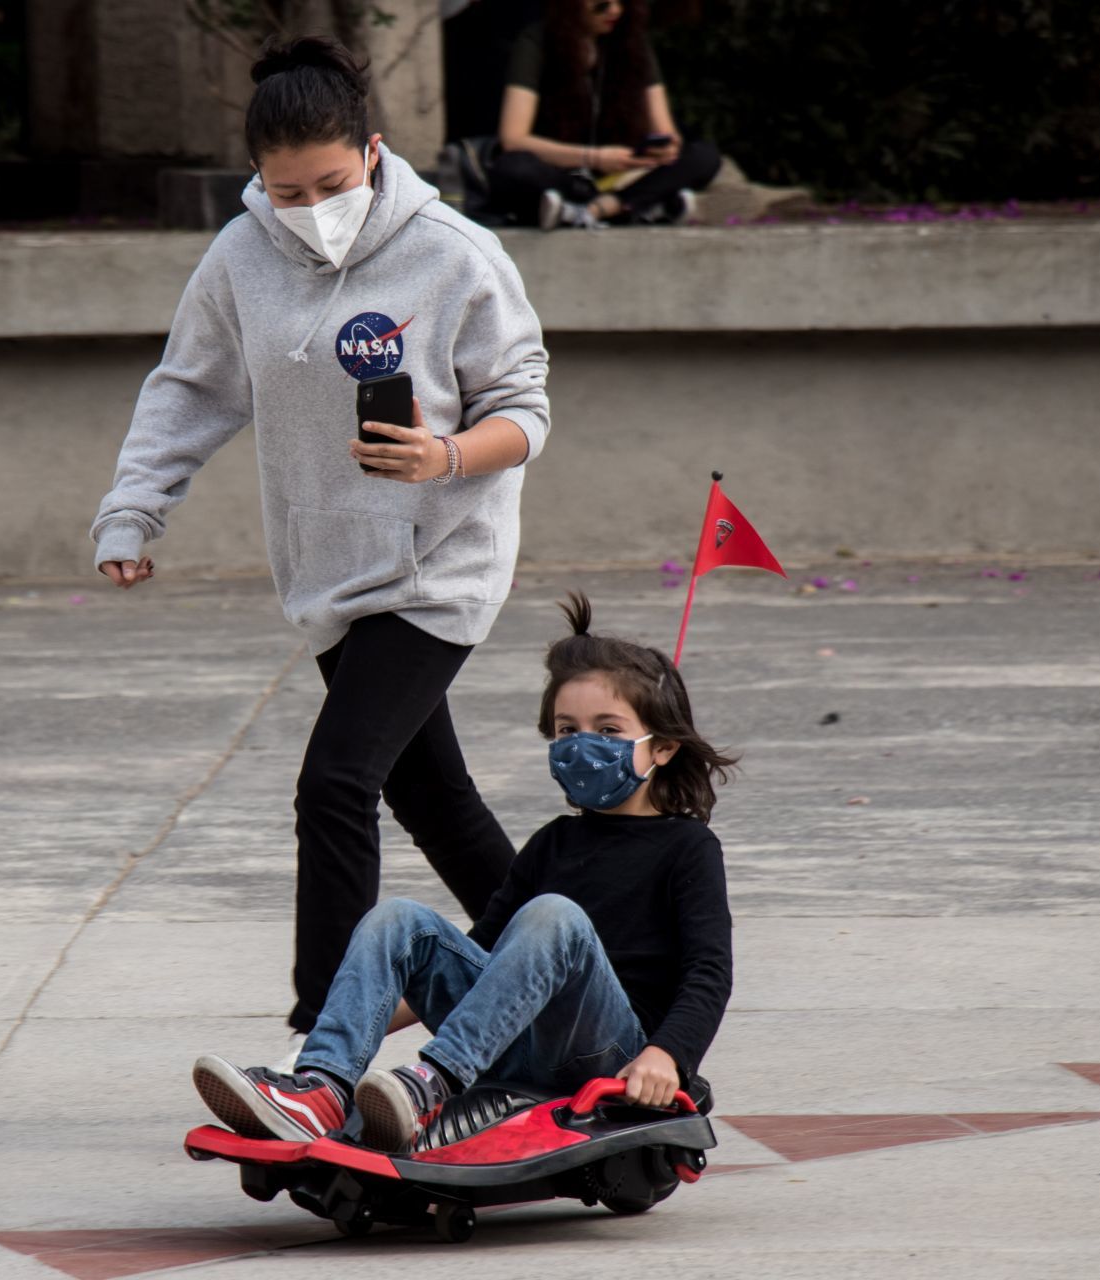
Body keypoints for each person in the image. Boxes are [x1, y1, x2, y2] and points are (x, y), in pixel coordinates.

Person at [90, 35, 550, 1055]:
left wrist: (444, 455)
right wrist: (133, 509)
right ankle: (568, 971)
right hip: (330, 572)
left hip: (439, 563)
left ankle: (323, 1043)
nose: (309, 206)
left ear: (375, 152)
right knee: (437, 800)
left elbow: (526, 410)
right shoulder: (241, 256)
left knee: (337, 781)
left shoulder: (456, 253)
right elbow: (189, 389)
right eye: (284, 190)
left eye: (331, 184)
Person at [193, 592, 736, 1152]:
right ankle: (321, 1084)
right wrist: (361, 1017)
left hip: (607, 1052)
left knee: (554, 916)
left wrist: (666, 1055)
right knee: (399, 918)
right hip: (515, 1039)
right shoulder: (554, 841)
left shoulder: (688, 847)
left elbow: (708, 972)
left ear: (664, 747)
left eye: (608, 730)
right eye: (566, 731)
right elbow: (479, 953)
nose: (582, 747)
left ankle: (435, 1082)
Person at [490, 0, 722, 229]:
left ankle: (602, 208)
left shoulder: (632, 43)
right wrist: (594, 158)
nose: (615, 11)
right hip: (564, 173)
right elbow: (513, 138)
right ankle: (638, 206)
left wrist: (663, 148)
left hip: (625, 173)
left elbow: (666, 131)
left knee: (703, 156)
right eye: (602, 4)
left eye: (622, 3)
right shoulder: (537, 41)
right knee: (513, 169)